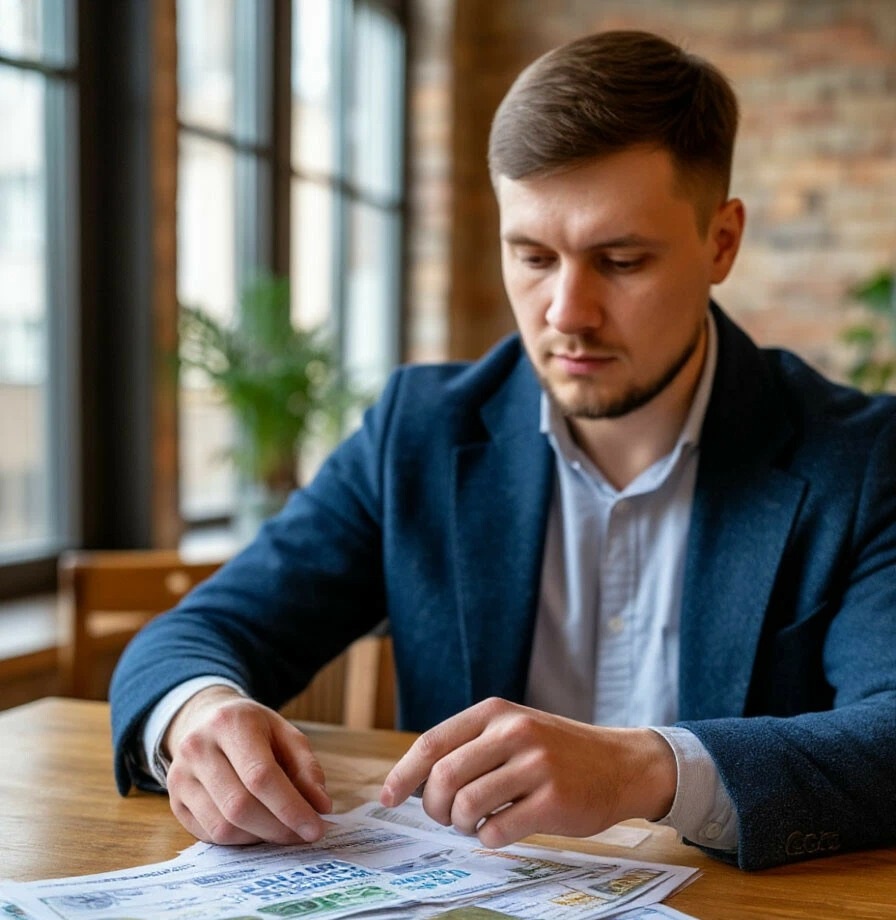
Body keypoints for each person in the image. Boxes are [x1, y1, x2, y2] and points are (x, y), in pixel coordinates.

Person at [110, 30, 896, 872]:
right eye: (531, 256)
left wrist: (648, 768)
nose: (566, 312)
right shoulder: (417, 431)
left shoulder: (861, 458)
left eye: (620, 261)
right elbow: (197, 635)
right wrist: (195, 716)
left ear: (721, 243)